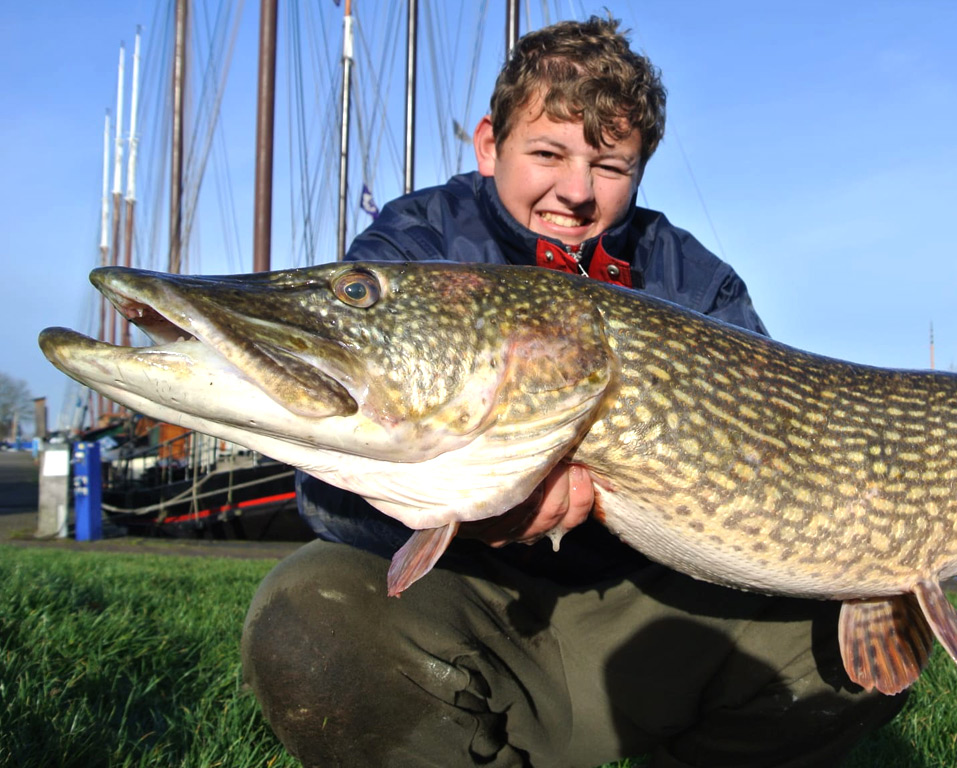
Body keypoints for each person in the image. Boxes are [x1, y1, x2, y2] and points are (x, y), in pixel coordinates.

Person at [241, 17, 908, 767]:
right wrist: (476, 521)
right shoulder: (413, 250)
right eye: (548, 153)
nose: (578, 192)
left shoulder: (696, 285)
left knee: (870, 632)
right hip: (475, 610)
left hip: (650, 615)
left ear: (642, 170)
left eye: (612, 166)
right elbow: (325, 485)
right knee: (308, 614)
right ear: (490, 144)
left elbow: (797, 452)